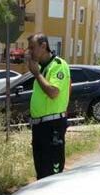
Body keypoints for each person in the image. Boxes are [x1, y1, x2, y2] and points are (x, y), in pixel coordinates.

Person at [25, 33, 71, 179]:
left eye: (32, 47)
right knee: (41, 171)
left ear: (43, 46)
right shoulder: (42, 67)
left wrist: (37, 74)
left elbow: (53, 92)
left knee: (52, 174)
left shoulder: (58, 65)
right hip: (40, 127)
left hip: (52, 127)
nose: (29, 51)